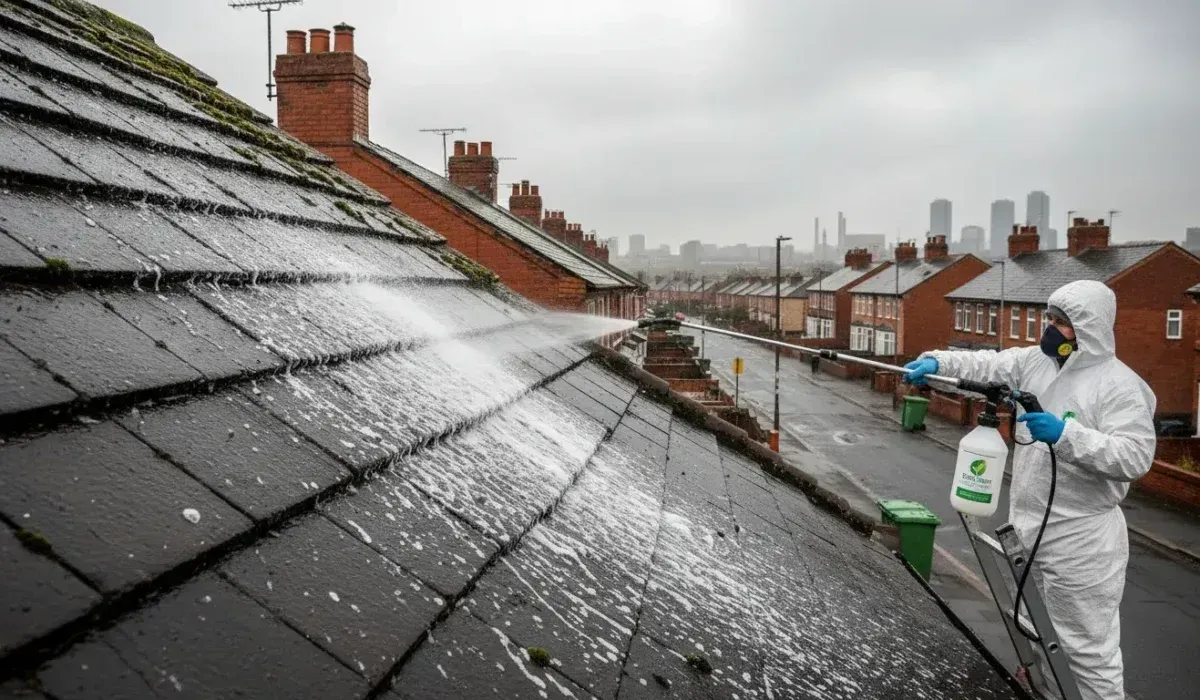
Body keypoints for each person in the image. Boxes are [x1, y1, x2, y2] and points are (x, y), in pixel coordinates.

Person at [904, 280, 1156, 700]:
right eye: (1050, 318)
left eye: (1062, 322)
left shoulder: (1118, 386)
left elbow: (1135, 457)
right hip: (1028, 528)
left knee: (1085, 650)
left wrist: (1066, 435)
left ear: (1089, 329)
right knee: (1035, 632)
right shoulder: (1033, 363)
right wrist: (936, 362)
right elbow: (985, 367)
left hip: (1082, 539)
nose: (1050, 328)